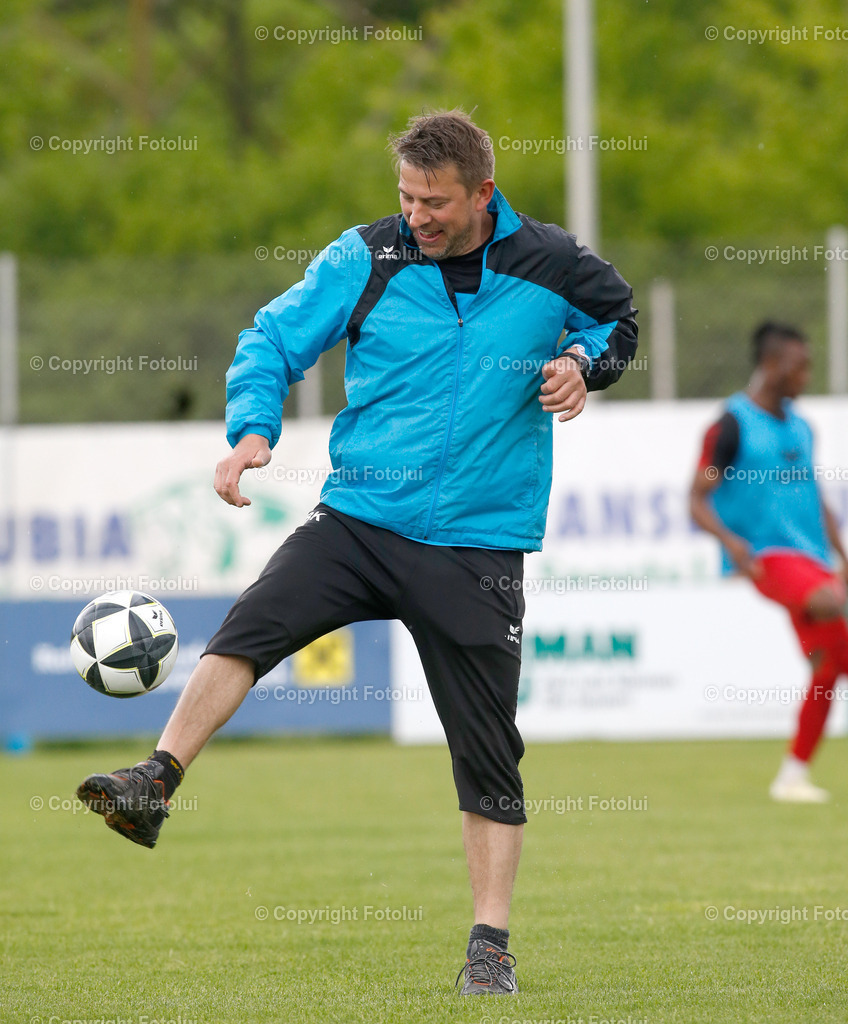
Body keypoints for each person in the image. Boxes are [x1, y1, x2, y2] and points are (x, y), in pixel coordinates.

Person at [76, 109, 637, 995]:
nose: (418, 215)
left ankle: (489, 947)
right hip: (362, 519)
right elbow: (270, 337)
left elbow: (617, 322)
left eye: (436, 202)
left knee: (488, 751)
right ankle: (156, 779)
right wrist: (253, 429)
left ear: (484, 193)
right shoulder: (366, 256)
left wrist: (581, 361)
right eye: (407, 197)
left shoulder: (554, 263)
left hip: (477, 545)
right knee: (246, 629)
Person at [690, 321, 848, 803]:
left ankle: (792, 775)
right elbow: (697, 496)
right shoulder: (731, 425)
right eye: (801, 368)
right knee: (829, 602)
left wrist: (842, 553)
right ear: (772, 365)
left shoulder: (802, 426)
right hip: (766, 556)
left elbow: (814, 495)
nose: (806, 377)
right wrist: (731, 543)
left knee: (834, 660)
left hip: (813, 558)